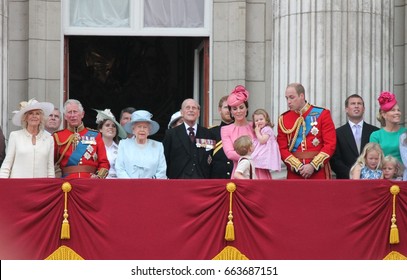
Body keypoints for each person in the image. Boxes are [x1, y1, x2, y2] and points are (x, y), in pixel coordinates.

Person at [277, 83, 336, 179]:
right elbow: (282, 148)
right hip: (295, 173)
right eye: (287, 98)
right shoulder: (283, 119)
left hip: (318, 171)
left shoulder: (322, 114)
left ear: (301, 96)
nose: (288, 102)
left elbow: (330, 144)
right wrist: (298, 167)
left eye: (292, 97)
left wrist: (313, 165)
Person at [221, 85, 272, 179]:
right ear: (231, 111)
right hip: (240, 173)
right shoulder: (225, 130)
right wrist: (253, 157)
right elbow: (230, 153)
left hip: (260, 172)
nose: (238, 111)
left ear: (246, 109)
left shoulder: (256, 125)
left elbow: (269, 143)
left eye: (241, 107)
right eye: (234, 109)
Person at [53, 99, 110, 178]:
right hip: (66, 183)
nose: (72, 115)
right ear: (65, 116)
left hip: (90, 181)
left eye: (75, 112)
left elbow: (104, 162)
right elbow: (51, 162)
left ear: (82, 114)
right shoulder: (57, 136)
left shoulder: (95, 135)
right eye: (69, 112)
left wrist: (99, 177)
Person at [0, 98, 55, 178]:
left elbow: (50, 168)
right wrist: (2, 184)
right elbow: (7, 164)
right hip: (19, 185)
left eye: (37, 113)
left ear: (41, 118)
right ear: (25, 117)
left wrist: (51, 187)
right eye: (30, 113)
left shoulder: (49, 138)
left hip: (41, 185)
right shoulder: (15, 136)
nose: (34, 116)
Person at [163, 98, 216, 179]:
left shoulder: (208, 134)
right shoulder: (171, 134)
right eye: (187, 108)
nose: (191, 110)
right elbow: (165, 159)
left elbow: (211, 157)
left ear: (198, 113)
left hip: (202, 181)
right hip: (178, 181)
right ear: (181, 112)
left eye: (194, 108)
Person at [331, 94, 379, 179]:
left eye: (359, 104)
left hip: (371, 180)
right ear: (346, 109)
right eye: (353, 104)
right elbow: (335, 160)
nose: (356, 106)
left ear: (363, 109)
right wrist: (352, 174)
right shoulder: (337, 133)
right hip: (345, 180)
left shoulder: (375, 132)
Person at [116, 110, 167, 178]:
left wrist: (148, 183)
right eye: (139, 126)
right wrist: (131, 184)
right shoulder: (124, 144)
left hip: (152, 186)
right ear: (133, 130)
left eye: (145, 127)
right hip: (128, 186)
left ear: (149, 131)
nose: (142, 130)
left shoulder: (158, 146)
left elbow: (162, 171)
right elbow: (120, 169)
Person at [370, 91, 406, 163]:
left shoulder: (405, 132)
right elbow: (373, 160)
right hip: (383, 172)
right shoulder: (376, 135)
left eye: (398, 110)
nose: (397, 113)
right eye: (393, 110)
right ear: (383, 114)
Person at [94, 108, 127, 178]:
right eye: (107, 125)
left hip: (117, 184)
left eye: (113, 126)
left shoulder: (121, 148)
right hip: (98, 184)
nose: (111, 128)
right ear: (100, 129)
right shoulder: (93, 147)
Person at [209, 96, 234, 179]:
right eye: (226, 107)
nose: (229, 110)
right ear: (219, 110)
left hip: (237, 178)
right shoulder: (210, 132)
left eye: (232, 107)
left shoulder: (241, 130)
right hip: (217, 179)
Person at [251, 108, 282, 175]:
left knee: (259, 159)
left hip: (266, 150)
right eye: (256, 120)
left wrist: (257, 132)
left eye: (261, 119)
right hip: (262, 149)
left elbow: (262, 140)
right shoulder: (261, 129)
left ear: (266, 120)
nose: (259, 121)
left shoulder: (267, 129)